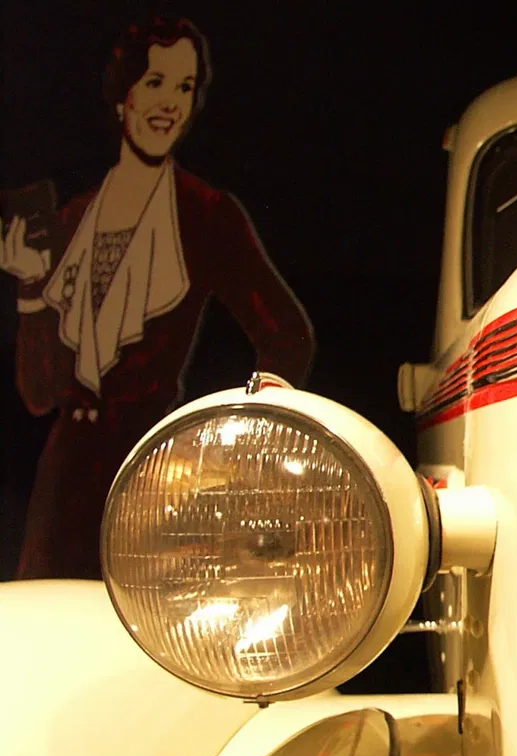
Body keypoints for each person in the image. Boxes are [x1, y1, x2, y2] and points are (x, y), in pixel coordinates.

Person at [0, 16, 314, 579]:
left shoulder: (204, 214)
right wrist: (29, 289)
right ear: (123, 96)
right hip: (62, 478)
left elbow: (287, 337)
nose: (169, 102)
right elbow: (38, 392)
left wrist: (236, 450)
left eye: (184, 86)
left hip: (148, 472)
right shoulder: (74, 218)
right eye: (154, 82)